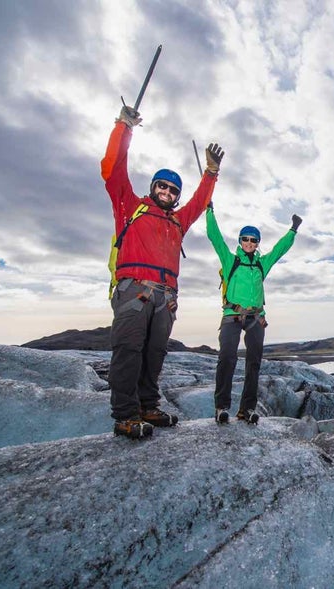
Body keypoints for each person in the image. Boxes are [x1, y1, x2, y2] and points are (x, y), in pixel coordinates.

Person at [101, 104, 224, 439]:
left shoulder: (176, 220)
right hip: (134, 290)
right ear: (153, 187)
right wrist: (123, 128)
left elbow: (198, 204)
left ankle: (147, 406)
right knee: (128, 349)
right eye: (162, 187)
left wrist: (211, 175)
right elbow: (113, 171)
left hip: (165, 297)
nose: (167, 193)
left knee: (155, 352)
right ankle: (125, 414)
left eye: (173, 191)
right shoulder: (130, 206)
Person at [206, 206, 301, 424]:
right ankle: (221, 407)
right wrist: (210, 212)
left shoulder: (261, 264)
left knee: (254, 363)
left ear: (258, 243)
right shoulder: (231, 260)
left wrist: (293, 230)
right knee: (227, 358)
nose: (249, 243)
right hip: (232, 315)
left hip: (256, 318)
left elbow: (279, 249)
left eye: (254, 240)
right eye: (246, 239)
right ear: (240, 241)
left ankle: (246, 410)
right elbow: (215, 237)